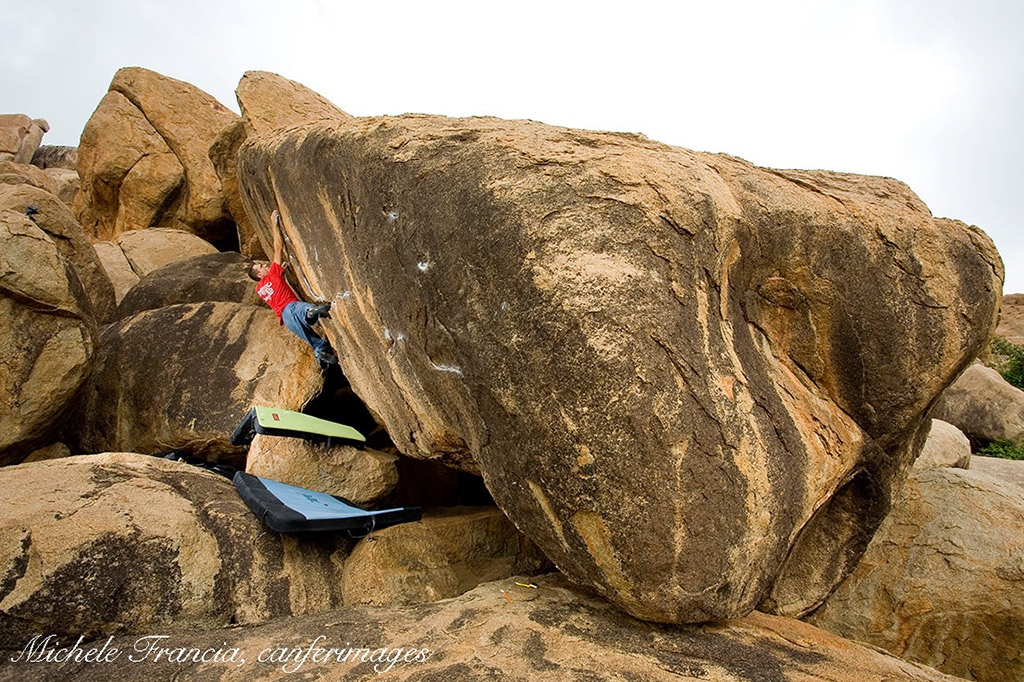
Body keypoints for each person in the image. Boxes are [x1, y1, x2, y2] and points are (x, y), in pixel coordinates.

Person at [248, 210, 338, 368]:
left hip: (285, 320)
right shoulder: (272, 274)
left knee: (313, 340)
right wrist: (273, 223)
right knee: (304, 310)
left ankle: (321, 355)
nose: (264, 265)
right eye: (260, 267)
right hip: (292, 308)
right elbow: (278, 248)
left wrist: (280, 276)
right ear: (259, 274)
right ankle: (311, 312)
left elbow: (275, 289)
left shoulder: (260, 289)